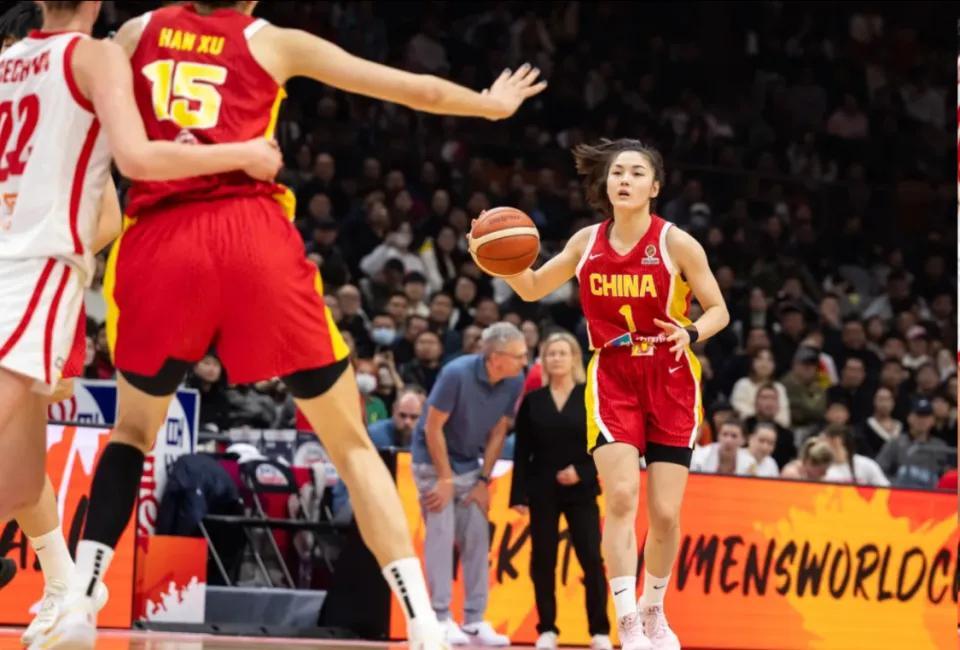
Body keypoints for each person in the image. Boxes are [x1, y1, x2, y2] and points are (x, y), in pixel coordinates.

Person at [45, 1, 546, 648]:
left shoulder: (137, 31)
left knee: (133, 433)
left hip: (160, 243)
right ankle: (424, 623)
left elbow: (79, 108)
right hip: (252, 239)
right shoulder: (272, 41)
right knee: (352, 446)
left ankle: (81, 600)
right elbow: (406, 87)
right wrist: (488, 105)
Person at [477, 139, 730, 650]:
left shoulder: (677, 243)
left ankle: (653, 609)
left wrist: (692, 332)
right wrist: (488, 253)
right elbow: (531, 287)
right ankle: (627, 620)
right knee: (619, 497)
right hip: (613, 373)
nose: (625, 180)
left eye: (636, 172)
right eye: (617, 172)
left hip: (671, 373)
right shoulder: (585, 241)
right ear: (606, 183)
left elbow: (719, 310)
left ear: (654, 187)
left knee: (665, 513)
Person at [411, 323, 526, 646]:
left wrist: (483, 480)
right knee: (441, 534)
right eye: (518, 355)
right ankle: (439, 618)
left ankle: (474, 620)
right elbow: (433, 428)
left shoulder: (514, 380)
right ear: (496, 358)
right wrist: (445, 478)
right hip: (431, 463)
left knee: (477, 537)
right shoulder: (455, 373)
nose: (524, 360)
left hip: (469, 465)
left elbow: (499, 431)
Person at [509, 332, 611, 650]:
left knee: (591, 558)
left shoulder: (590, 397)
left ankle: (600, 631)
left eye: (562, 353)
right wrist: (518, 495)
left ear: (574, 358)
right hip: (542, 490)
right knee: (543, 560)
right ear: (543, 360)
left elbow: (605, 444)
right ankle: (547, 629)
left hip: (582, 491)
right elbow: (522, 451)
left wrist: (582, 472)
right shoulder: (533, 401)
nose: (556, 358)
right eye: (551, 353)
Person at [876, 398, 951, 488]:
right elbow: (878, 471)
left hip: (932, 494)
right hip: (901, 492)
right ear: (909, 418)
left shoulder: (940, 447)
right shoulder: (895, 443)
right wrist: (895, 485)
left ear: (932, 420)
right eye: (918, 416)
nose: (922, 420)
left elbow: (948, 475)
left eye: (926, 416)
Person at [729, 348, 790, 427]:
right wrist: (762, 419)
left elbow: (784, 417)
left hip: (775, 428)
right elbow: (741, 412)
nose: (764, 363)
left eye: (769, 360)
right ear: (752, 362)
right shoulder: (742, 384)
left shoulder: (779, 388)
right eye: (760, 359)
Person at [820, 424, 889, 486]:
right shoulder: (819, 466)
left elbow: (885, 490)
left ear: (836, 441)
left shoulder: (866, 464)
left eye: (822, 440)